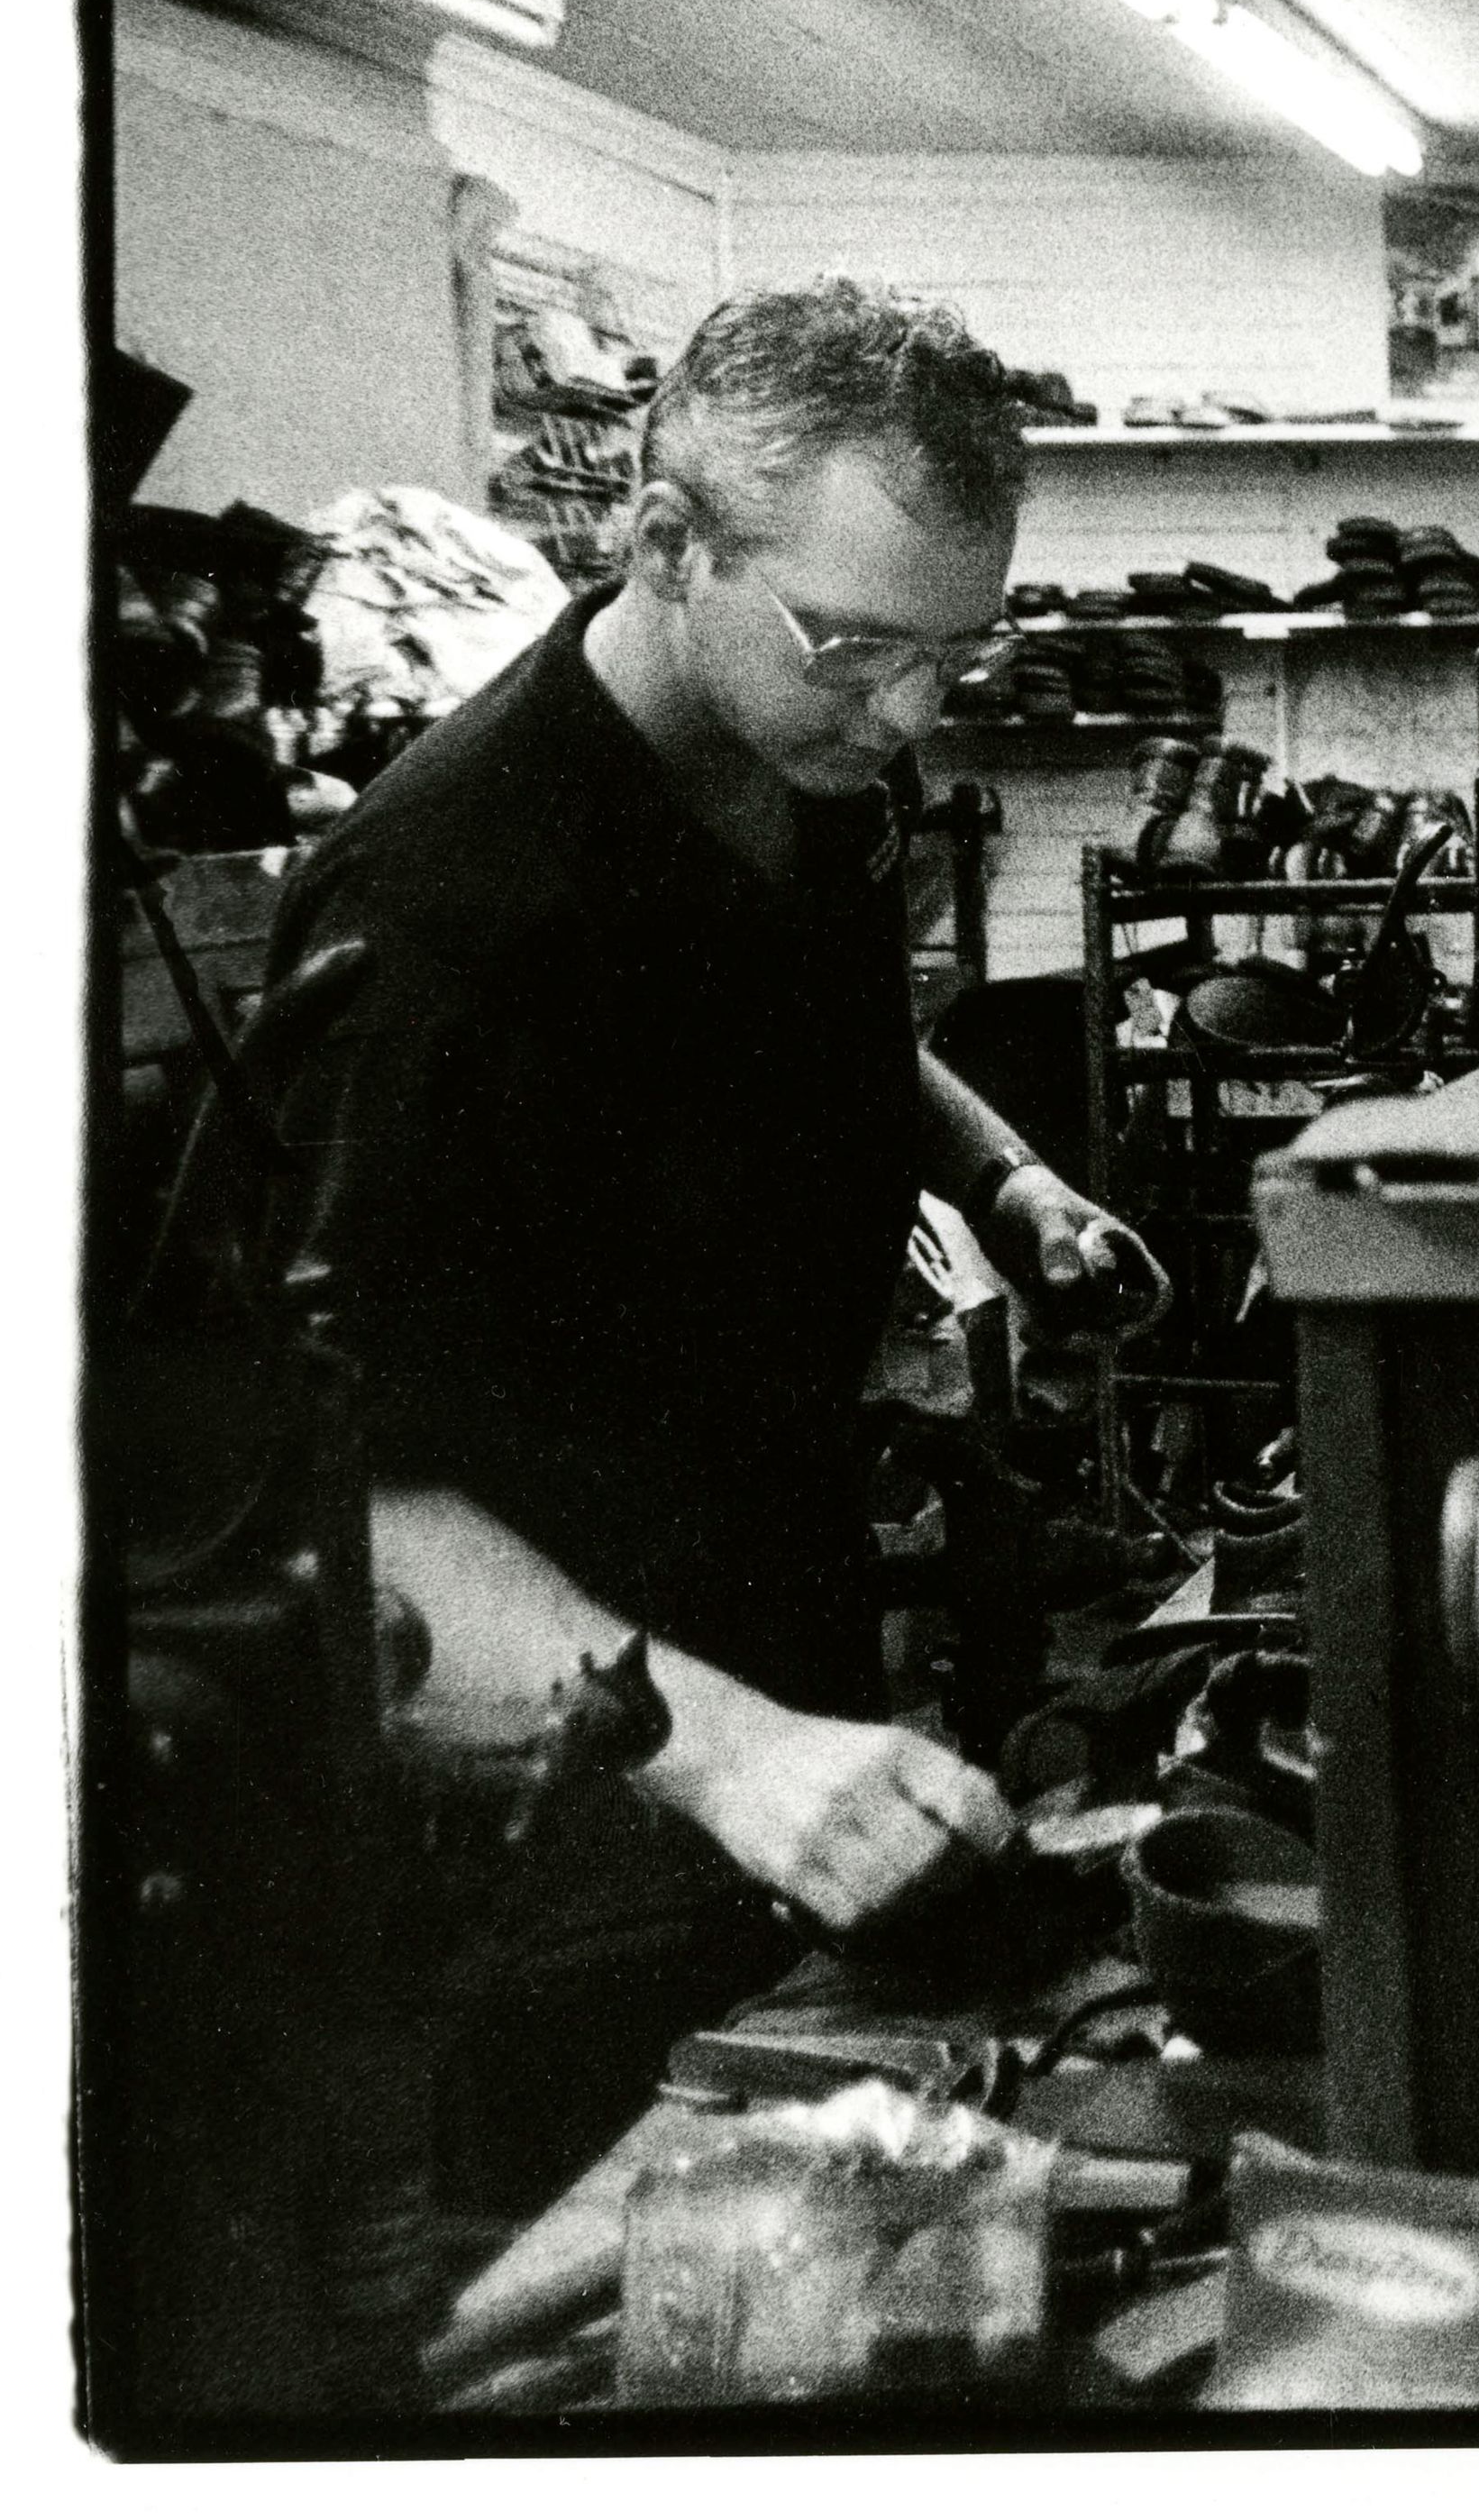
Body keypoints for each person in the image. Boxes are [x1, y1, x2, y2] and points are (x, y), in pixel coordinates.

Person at [255, 277, 1162, 2210]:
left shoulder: (805, 759)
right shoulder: (447, 907)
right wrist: (731, 1756)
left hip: (777, 1630)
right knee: (606, 2250)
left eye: (957, 653)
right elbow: (338, 1498)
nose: (910, 714)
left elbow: (837, 1030)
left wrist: (1005, 1177)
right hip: (551, 1775)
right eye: (861, 648)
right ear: (668, 543)